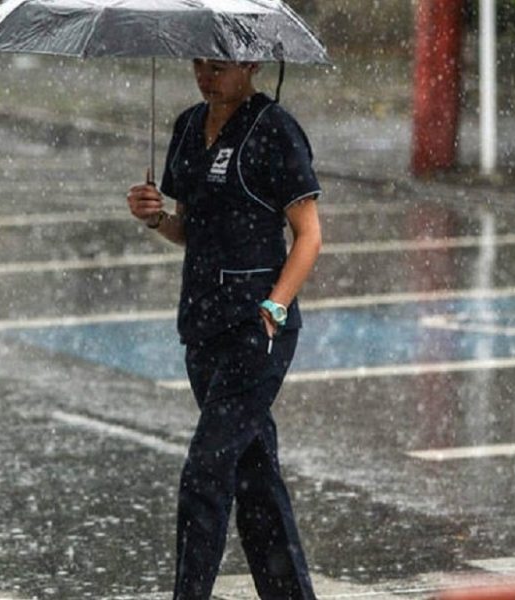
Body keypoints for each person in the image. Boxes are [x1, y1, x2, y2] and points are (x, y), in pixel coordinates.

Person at [126, 58, 324, 600]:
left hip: (257, 329)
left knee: (206, 471)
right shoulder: (188, 126)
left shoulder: (274, 129)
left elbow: (309, 235)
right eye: (199, 63)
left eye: (219, 66)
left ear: (252, 62)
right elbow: (190, 229)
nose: (205, 75)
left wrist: (275, 307)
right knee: (255, 476)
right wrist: (154, 217)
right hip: (202, 325)